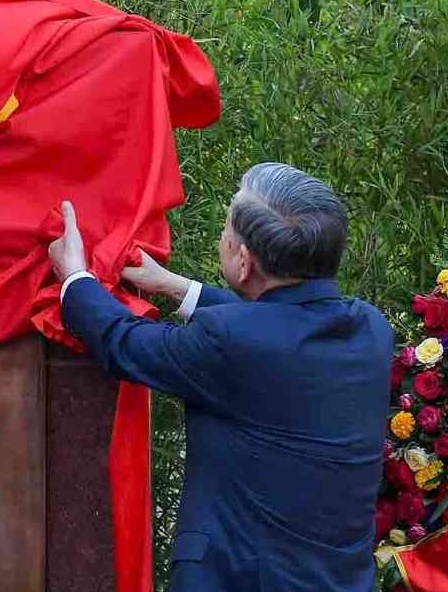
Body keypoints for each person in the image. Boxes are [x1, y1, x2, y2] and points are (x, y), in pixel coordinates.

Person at [48, 163, 394, 592]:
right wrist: (179, 288)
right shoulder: (370, 330)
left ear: (244, 261)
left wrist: (75, 278)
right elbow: (277, 326)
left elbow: (125, 343)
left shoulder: (233, 342)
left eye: (227, 231)